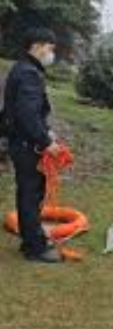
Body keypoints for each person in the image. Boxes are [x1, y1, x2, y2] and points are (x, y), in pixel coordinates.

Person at [3, 28, 62, 263]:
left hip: (22, 141)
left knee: (28, 192)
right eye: (50, 48)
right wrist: (46, 142)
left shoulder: (23, 68)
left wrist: (45, 129)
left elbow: (28, 111)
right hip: (27, 145)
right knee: (31, 194)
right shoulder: (28, 73)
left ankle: (31, 239)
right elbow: (26, 114)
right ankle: (34, 248)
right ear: (37, 46)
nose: (52, 53)